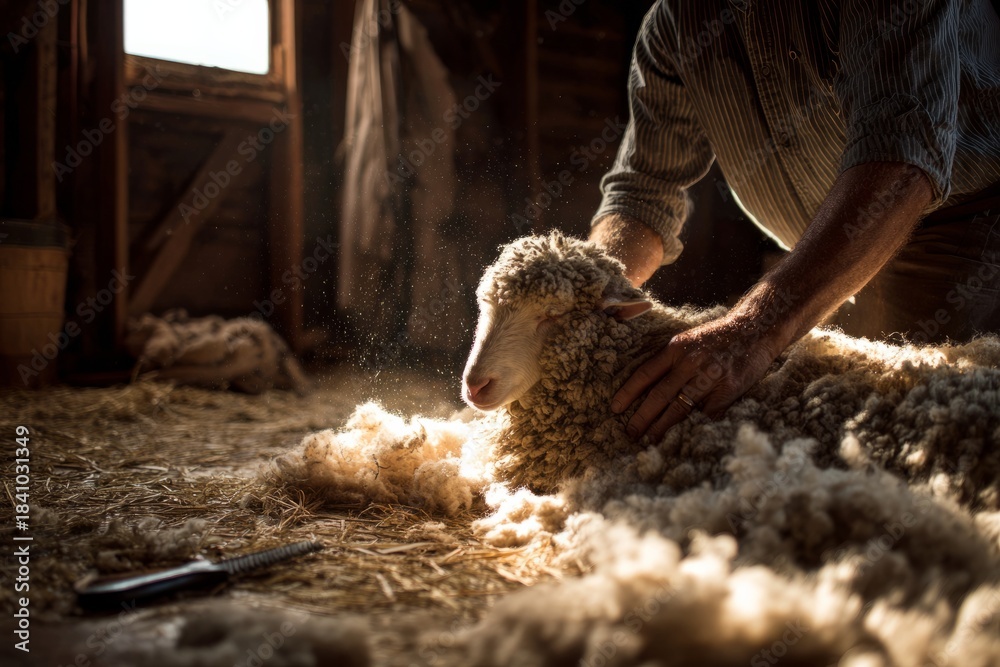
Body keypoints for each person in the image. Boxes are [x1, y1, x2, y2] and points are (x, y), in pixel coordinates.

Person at [589, 0, 1000, 442]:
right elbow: (641, 191)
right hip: (822, 245)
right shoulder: (674, 23)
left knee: (908, 431)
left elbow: (902, 158)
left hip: (957, 221)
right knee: (818, 416)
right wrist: (586, 291)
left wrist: (754, 329)